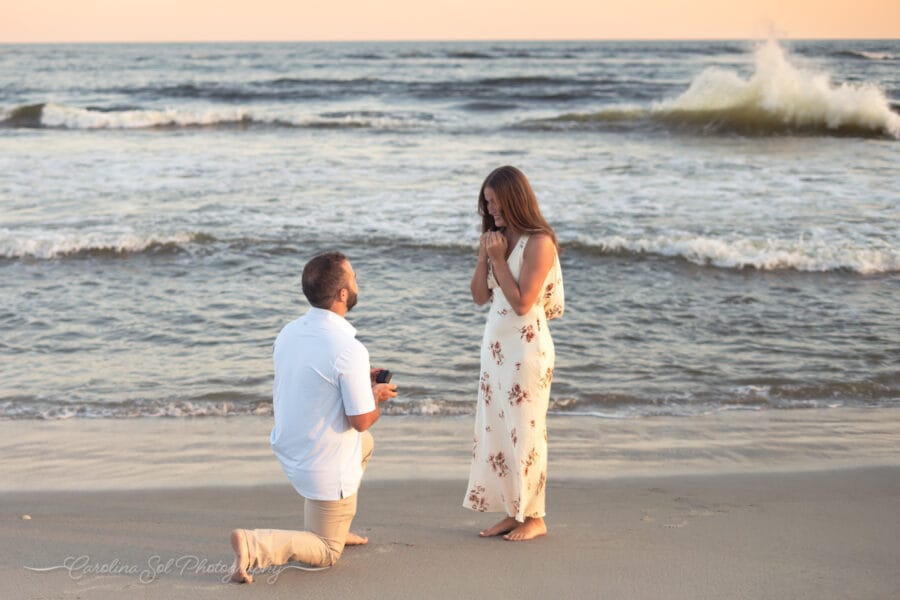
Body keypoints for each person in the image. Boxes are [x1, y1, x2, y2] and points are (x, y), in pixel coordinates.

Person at [229, 251, 397, 583]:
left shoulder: (290, 331)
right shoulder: (349, 348)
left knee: (364, 445)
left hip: (293, 447)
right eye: (354, 278)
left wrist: (360, 380)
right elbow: (360, 419)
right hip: (321, 465)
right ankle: (253, 546)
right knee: (325, 553)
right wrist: (375, 395)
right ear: (343, 294)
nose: (356, 282)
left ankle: (334, 524)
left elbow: (314, 385)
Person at [463, 166, 564, 542]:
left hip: (527, 350)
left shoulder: (540, 242)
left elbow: (523, 302)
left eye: (495, 202)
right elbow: (479, 296)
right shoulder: (497, 239)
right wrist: (484, 256)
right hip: (496, 349)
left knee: (526, 430)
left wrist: (501, 260)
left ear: (513, 197)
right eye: (486, 204)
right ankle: (513, 510)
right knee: (499, 431)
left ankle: (534, 516)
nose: (491, 211)